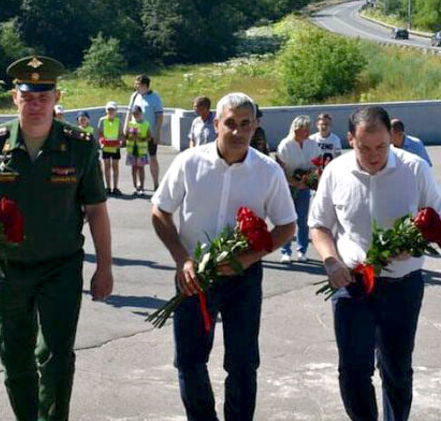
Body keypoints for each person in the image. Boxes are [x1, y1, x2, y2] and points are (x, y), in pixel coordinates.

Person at [0, 55, 113, 421]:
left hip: (60, 266)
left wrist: (104, 267)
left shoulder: (80, 146)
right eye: (28, 96)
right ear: (16, 98)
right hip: (6, 270)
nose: (36, 104)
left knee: (57, 355)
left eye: (44, 96)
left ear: (57, 97)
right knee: (14, 356)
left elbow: (96, 211)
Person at [151, 92, 296, 421]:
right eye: (230, 123)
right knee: (190, 361)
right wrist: (182, 259)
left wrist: (247, 258)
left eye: (246, 123)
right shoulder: (190, 162)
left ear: (255, 125)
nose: (237, 131)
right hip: (194, 278)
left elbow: (286, 226)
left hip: (243, 279)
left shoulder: (268, 171)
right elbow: (160, 210)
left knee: (243, 364)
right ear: (215, 124)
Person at [309, 106, 441, 421]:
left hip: (402, 285)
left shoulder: (415, 169)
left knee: (396, 370)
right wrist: (331, 261)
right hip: (351, 285)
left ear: (392, 137)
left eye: (381, 146)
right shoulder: (336, 171)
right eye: (364, 147)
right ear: (349, 140)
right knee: (353, 370)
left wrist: (413, 244)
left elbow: (436, 222)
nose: (373, 155)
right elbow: (318, 225)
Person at [276, 115, 321, 263]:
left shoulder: (312, 144)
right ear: (295, 130)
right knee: (288, 219)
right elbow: (281, 169)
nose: (307, 133)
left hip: (304, 187)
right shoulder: (285, 145)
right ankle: (286, 251)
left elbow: (315, 165)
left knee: (303, 220)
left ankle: (302, 251)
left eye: (308, 129)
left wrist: (308, 180)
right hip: (288, 186)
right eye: (304, 129)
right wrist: (294, 182)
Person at [128, 74, 164, 191]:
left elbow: (159, 116)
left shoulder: (155, 97)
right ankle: (140, 184)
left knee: (152, 157)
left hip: (150, 134)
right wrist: (125, 127)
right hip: (135, 135)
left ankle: (156, 183)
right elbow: (129, 112)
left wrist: (157, 133)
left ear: (145, 85)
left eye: (137, 84)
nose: (135, 86)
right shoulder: (134, 96)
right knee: (138, 160)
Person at [97, 101, 123, 195]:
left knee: (115, 166)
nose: (110, 111)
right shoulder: (102, 120)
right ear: (106, 110)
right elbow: (100, 132)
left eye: (112, 109)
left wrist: (120, 142)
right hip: (106, 147)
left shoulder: (118, 121)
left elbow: (121, 134)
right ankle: (108, 187)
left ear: (116, 111)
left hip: (115, 146)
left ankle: (115, 187)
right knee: (107, 166)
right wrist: (101, 141)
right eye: (109, 109)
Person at [126, 105, 150, 195]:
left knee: (141, 168)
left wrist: (141, 138)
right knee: (133, 167)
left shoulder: (145, 123)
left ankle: (142, 186)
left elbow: (149, 137)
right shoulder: (130, 123)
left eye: (138, 113)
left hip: (141, 149)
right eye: (134, 113)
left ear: (141, 113)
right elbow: (126, 136)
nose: (136, 115)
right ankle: (135, 186)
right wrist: (130, 136)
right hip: (132, 149)